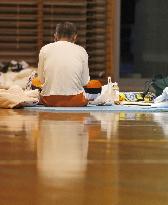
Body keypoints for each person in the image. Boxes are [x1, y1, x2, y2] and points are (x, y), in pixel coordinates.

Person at [38, 22, 90, 107]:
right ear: (75, 37)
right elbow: (85, 82)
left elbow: (41, 80)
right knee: (95, 85)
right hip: (76, 100)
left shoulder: (45, 49)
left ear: (55, 36)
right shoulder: (81, 51)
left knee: (34, 83)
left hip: (49, 100)